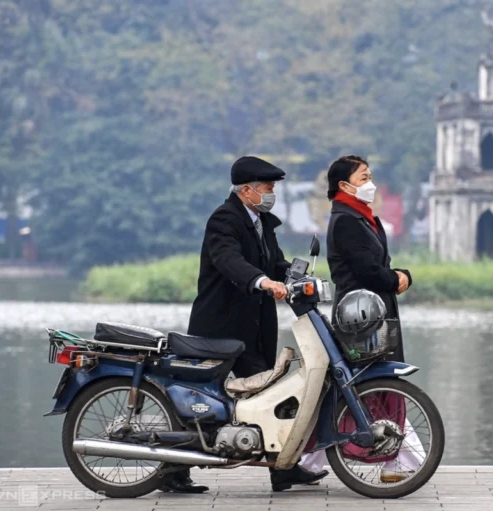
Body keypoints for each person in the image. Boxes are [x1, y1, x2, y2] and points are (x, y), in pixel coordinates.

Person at [161, 156, 328, 493]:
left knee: (275, 394)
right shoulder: (224, 219)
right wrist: (263, 281)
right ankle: (172, 471)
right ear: (247, 190)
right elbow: (229, 260)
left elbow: (273, 261)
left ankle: (283, 469)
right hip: (219, 326)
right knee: (200, 399)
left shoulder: (262, 221)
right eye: (267, 189)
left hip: (255, 326)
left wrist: (297, 278)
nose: (271, 194)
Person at [300, 155, 425, 483]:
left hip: (373, 311)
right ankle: (400, 460)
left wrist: (399, 275)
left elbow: (377, 264)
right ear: (344, 185)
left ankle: (307, 462)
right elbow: (366, 270)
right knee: (368, 385)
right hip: (360, 316)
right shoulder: (345, 221)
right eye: (363, 177)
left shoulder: (364, 218)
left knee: (356, 387)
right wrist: (397, 278)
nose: (370, 184)